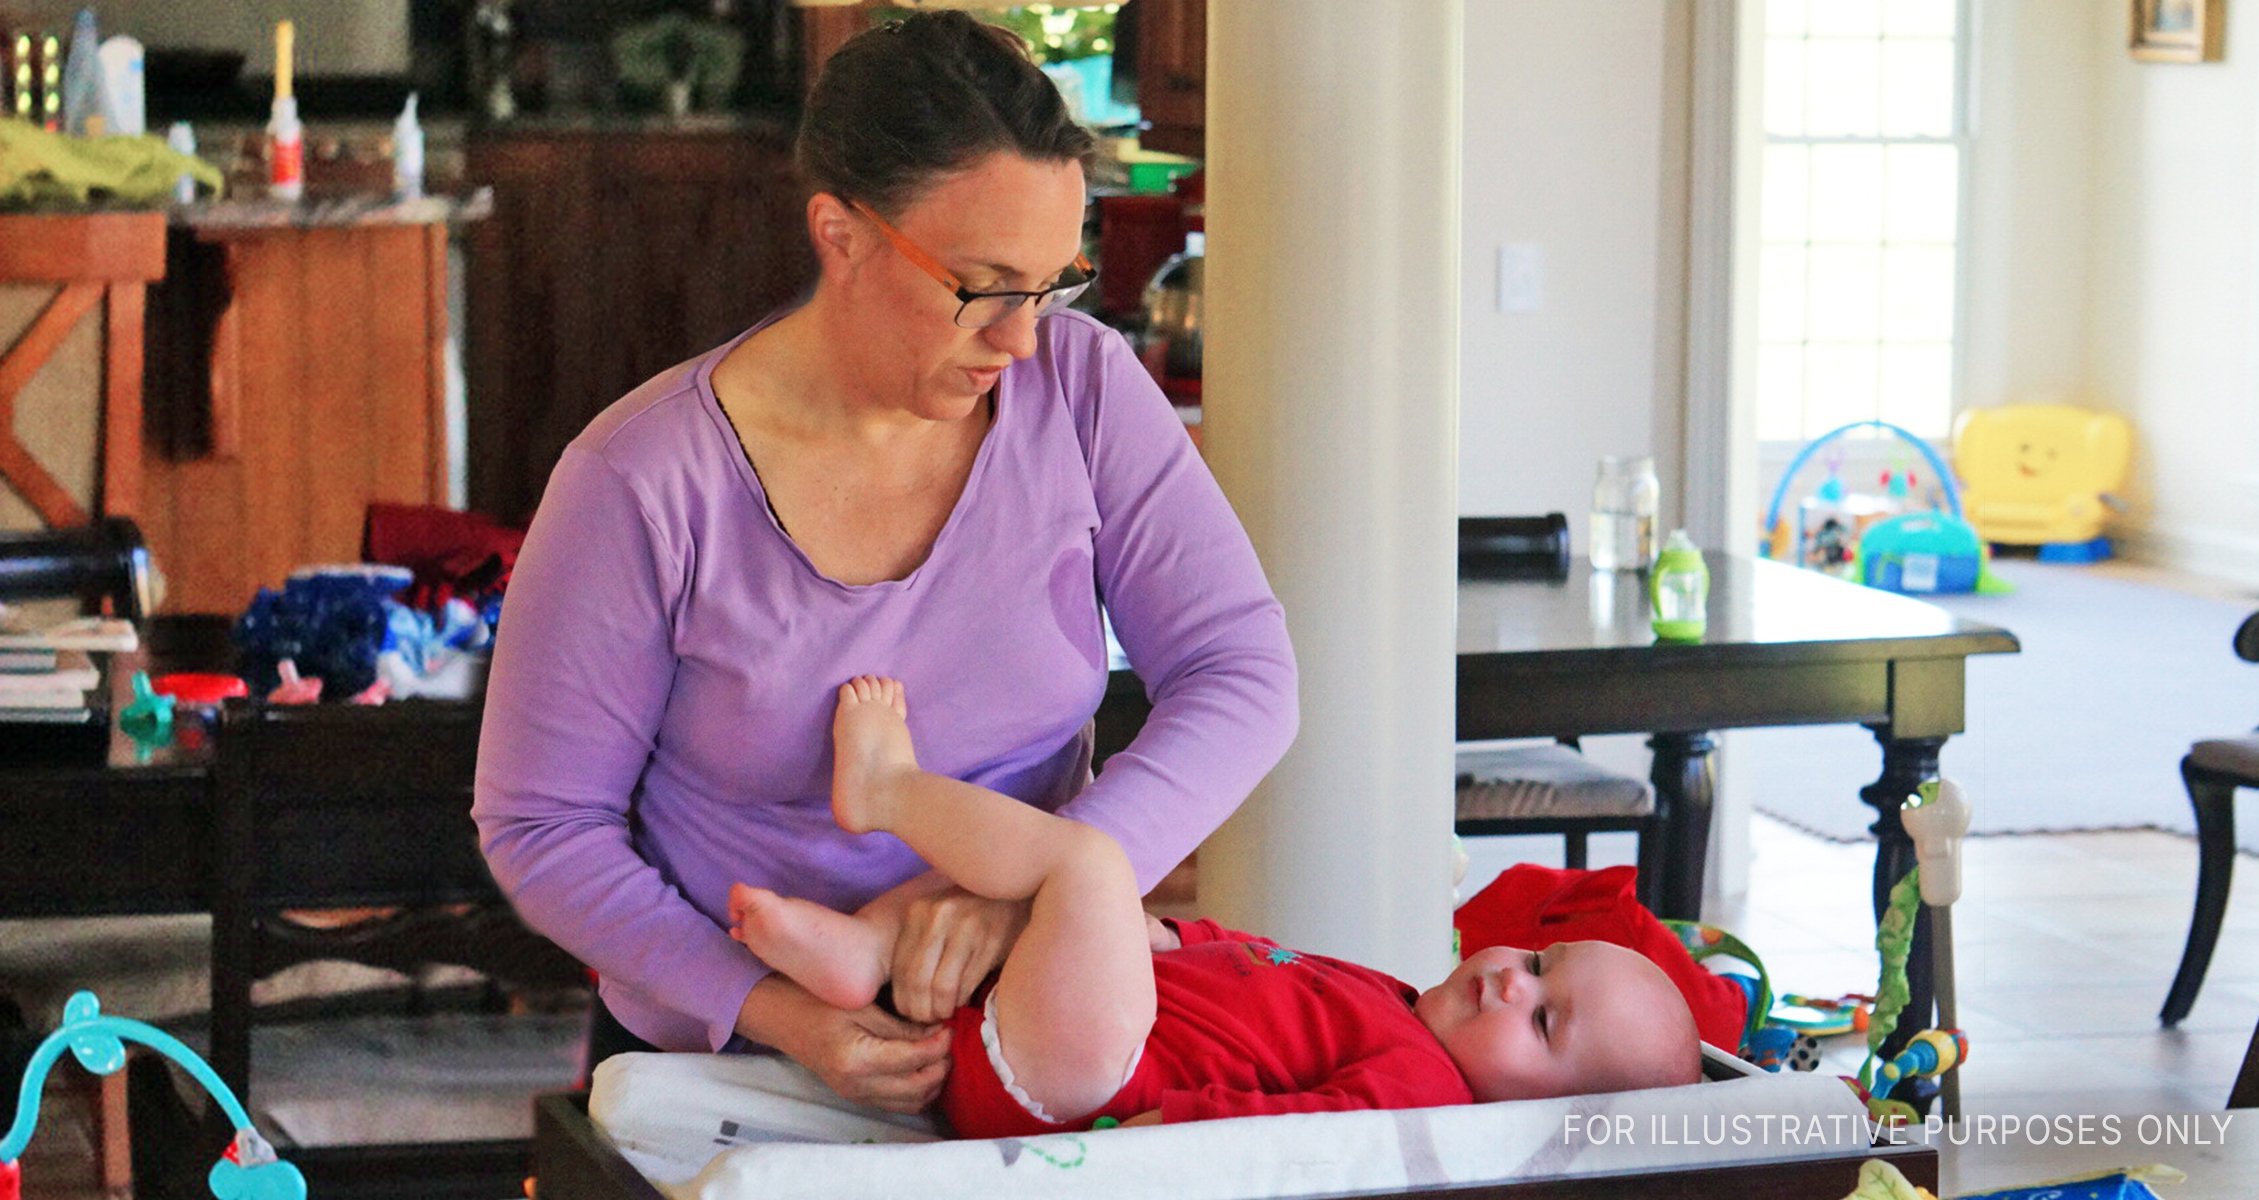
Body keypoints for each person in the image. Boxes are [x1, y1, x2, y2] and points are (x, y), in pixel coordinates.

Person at [472, 12, 1299, 1115]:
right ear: (842, 235)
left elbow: (1244, 673)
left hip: (1030, 1029)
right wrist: (774, 1008)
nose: (1022, 339)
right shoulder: (639, 482)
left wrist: (1045, 890)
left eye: (1056, 284)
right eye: (985, 285)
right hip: (728, 1066)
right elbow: (542, 828)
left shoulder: (1085, 391)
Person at [731, 676, 1703, 1136]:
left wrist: (1158, 1137)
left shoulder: (1423, 1095)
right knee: (1025, 886)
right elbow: (1249, 961)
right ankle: (865, 950)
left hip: (1097, 1088)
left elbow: (1293, 1145)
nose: (1505, 984)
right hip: (1062, 1041)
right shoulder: (1398, 1001)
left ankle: (888, 790)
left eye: (1542, 1026)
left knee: (1087, 863)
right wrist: (1165, 938)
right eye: (1537, 967)